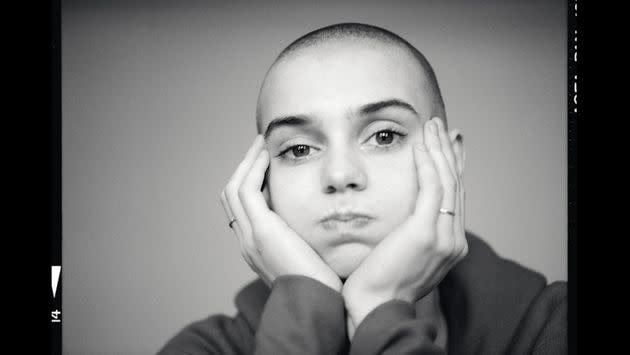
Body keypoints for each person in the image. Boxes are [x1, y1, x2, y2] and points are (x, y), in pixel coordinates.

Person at [157, 23, 567, 355]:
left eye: (384, 136)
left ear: (451, 161)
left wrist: (379, 307)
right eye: (299, 149)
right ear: (260, 185)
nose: (339, 175)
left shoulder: (555, 329)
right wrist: (306, 311)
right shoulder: (203, 349)